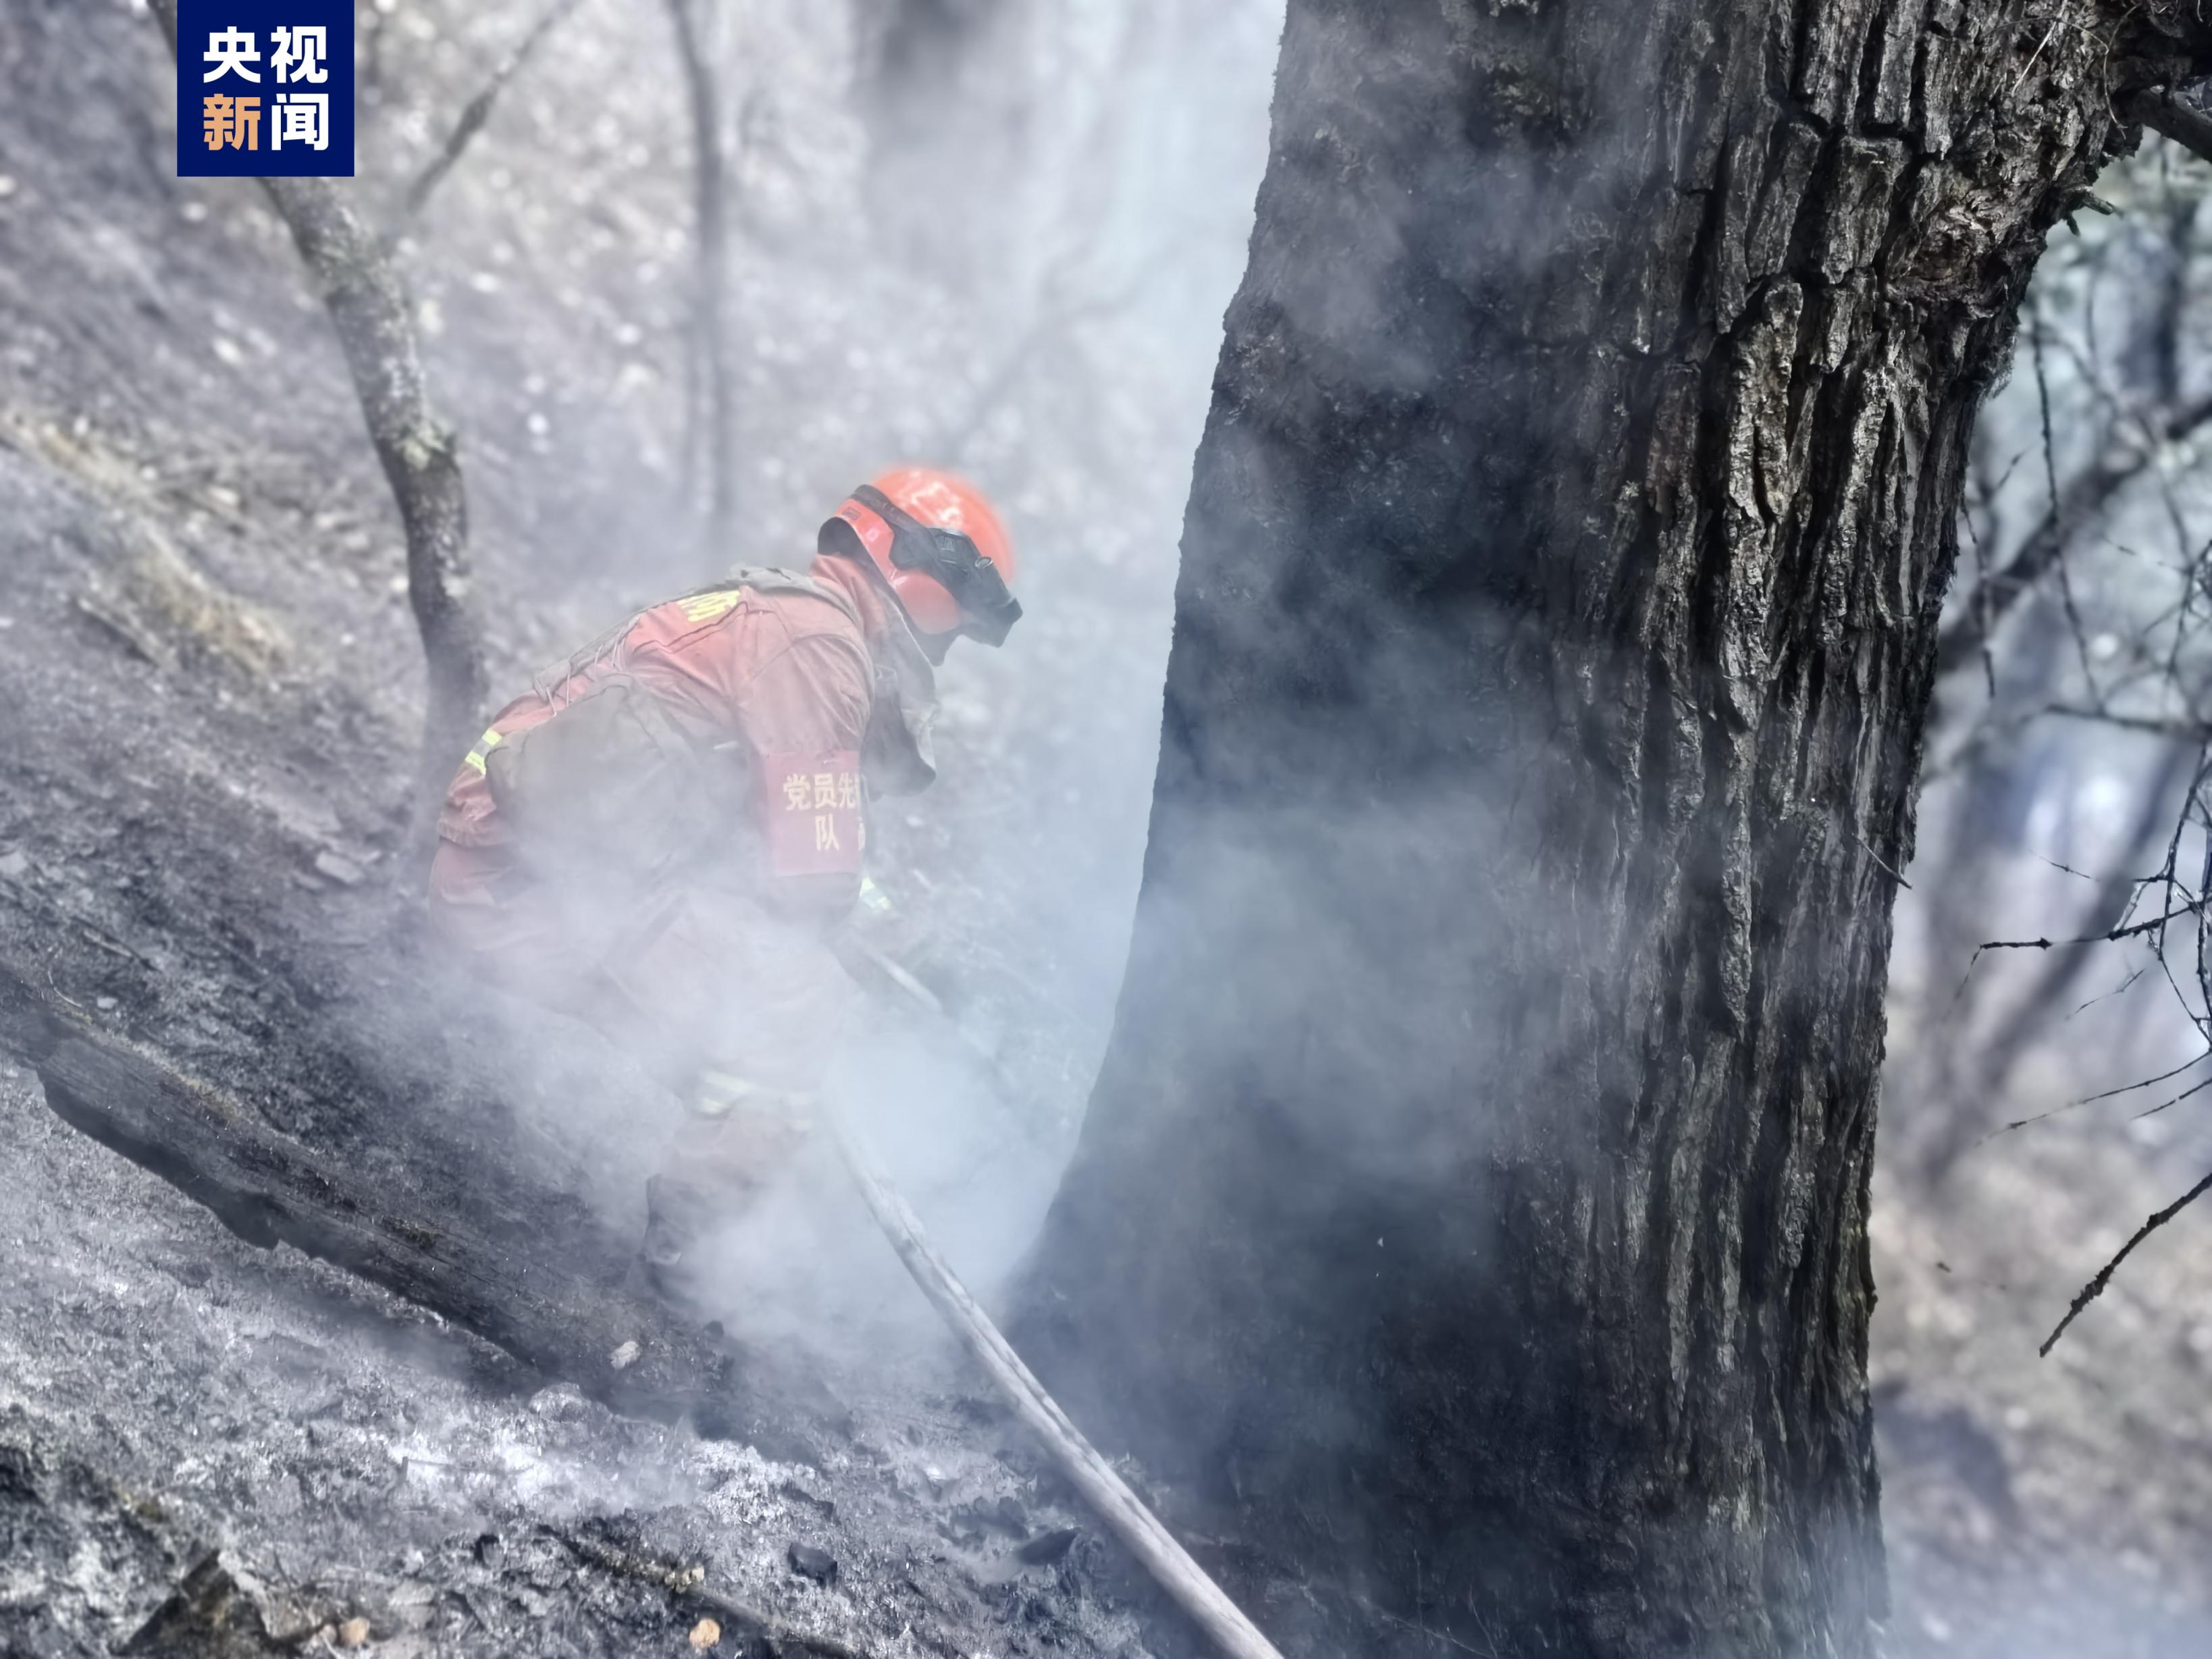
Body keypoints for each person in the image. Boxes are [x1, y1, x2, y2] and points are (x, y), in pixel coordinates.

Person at [427, 467, 1020, 1296]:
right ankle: (681, 1279)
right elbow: (814, 880)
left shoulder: (782, 617)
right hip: (519, 886)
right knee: (793, 1007)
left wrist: (916, 957)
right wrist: (883, 964)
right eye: (953, 630)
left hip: (512, 860)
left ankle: (735, 1190)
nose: (944, 653)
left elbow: (789, 843)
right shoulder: (820, 651)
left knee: (756, 1024)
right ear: (927, 579)